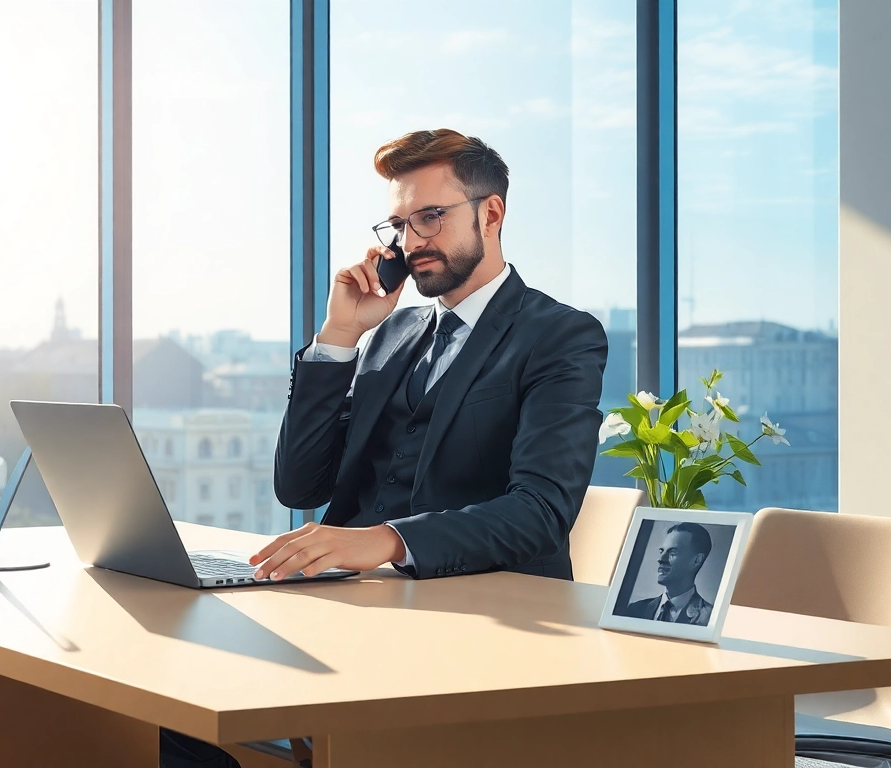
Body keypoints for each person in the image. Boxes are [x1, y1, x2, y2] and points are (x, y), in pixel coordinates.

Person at [160, 128, 609, 767]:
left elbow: (540, 510)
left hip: (474, 625)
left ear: (492, 212)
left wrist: (388, 539)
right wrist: (339, 336)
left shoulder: (559, 335)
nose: (410, 241)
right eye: (399, 224)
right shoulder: (391, 329)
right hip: (348, 607)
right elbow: (301, 486)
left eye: (430, 217)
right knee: (157, 692)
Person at [623, 522, 714, 626]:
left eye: (672, 553)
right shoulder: (635, 610)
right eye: (661, 551)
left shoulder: (709, 618)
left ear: (696, 560)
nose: (661, 559)